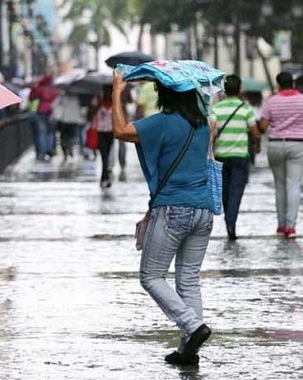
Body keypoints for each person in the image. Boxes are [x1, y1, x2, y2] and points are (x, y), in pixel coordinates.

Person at [111, 71, 214, 366]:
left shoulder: (162, 122)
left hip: (173, 210)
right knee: (189, 281)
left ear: (165, 95)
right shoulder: (203, 124)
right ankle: (187, 350)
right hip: (203, 210)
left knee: (152, 276)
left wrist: (117, 92)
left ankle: (192, 327)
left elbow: (120, 130)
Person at [257, 71, 303, 239]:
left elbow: (263, 126)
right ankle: (291, 227)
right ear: (293, 83)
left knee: (279, 186)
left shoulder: (271, 101)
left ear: (278, 85)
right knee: (293, 184)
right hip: (298, 144)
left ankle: (281, 224)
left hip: (276, 144)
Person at [211, 74, 259, 240]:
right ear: (239, 89)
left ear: (224, 90)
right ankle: (231, 221)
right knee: (236, 190)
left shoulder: (216, 109)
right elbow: (255, 132)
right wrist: (256, 145)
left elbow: (213, 133)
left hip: (221, 155)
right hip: (240, 155)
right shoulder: (245, 109)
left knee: (224, 190)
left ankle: (228, 219)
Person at [28, 74, 60, 161]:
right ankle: (49, 149)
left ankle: (41, 152)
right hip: (52, 112)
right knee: (50, 133)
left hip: (40, 111)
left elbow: (31, 97)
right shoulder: (54, 90)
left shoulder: (39, 89)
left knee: (41, 133)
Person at [90, 85, 115, 188]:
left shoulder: (115, 100)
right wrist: (97, 107)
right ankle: (105, 177)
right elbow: (89, 113)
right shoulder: (98, 100)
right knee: (104, 155)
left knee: (108, 155)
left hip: (111, 131)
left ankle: (105, 177)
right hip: (99, 131)